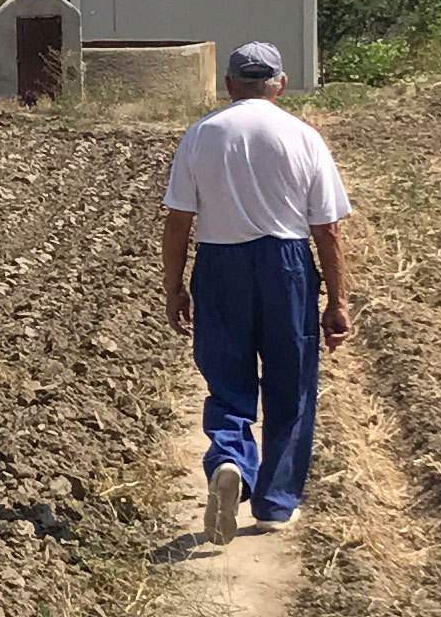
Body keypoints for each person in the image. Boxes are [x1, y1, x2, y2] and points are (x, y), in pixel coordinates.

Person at [160, 40, 353, 545]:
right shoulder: (304, 137)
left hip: (221, 264)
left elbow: (179, 221)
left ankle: (229, 460)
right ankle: (273, 502)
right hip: (286, 264)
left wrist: (175, 287)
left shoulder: (202, 134)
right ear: (280, 84)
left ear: (228, 85)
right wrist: (338, 301)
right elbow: (327, 230)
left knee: (227, 378)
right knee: (291, 387)